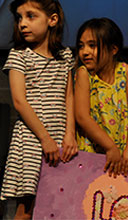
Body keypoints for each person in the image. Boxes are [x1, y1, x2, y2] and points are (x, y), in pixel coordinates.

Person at [0, 0, 78, 219]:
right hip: (33, 138)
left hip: (60, 135)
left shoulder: (65, 56)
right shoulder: (19, 55)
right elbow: (19, 101)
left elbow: (68, 96)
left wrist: (70, 134)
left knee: (57, 204)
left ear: (52, 20)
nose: (23, 23)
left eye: (31, 16)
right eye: (19, 17)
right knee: (27, 207)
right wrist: (45, 139)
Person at [74, 18, 128, 178]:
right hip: (93, 152)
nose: (85, 52)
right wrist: (110, 147)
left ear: (113, 49)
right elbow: (82, 117)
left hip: (122, 152)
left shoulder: (125, 72)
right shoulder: (84, 74)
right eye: (81, 46)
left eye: (92, 45)